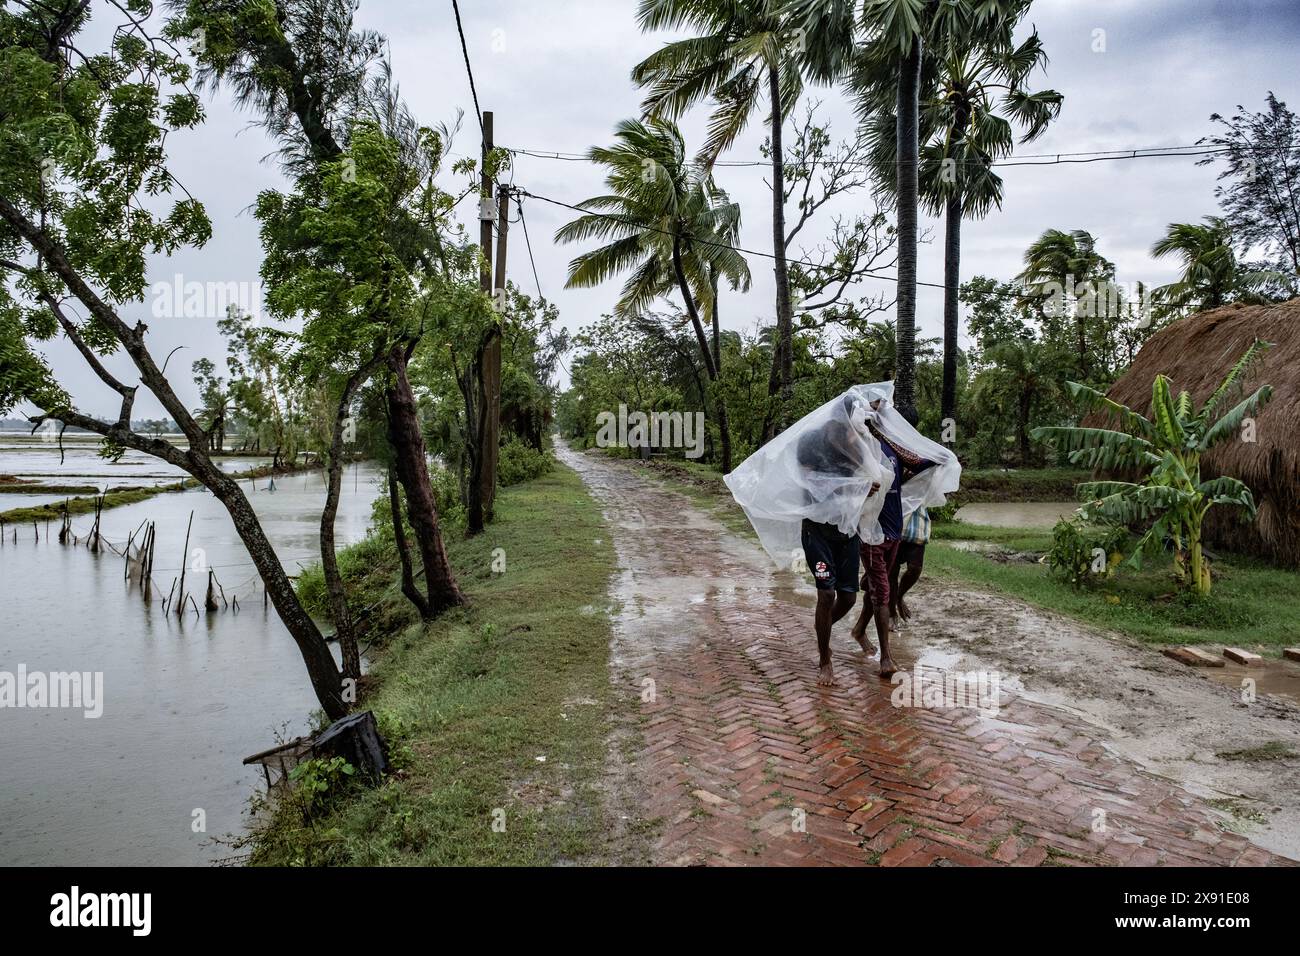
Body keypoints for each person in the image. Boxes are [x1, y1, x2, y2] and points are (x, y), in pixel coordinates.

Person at [795, 396, 881, 687]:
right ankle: (824, 659)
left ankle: (823, 630)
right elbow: (810, 484)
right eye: (847, 429)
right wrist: (854, 487)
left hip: (847, 532)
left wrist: (868, 488)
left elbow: (867, 480)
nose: (850, 435)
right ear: (835, 422)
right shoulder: (809, 441)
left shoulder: (856, 447)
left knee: (849, 597)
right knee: (826, 594)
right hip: (817, 531)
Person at [851, 400, 935, 678]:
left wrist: (890, 438)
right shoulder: (863, 450)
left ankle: (860, 630)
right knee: (882, 592)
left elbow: (926, 463)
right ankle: (886, 658)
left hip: (893, 530)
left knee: (880, 588)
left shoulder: (894, 450)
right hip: (872, 532)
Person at [893, 504, 929, 624]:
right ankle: (891, 611)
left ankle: (898, 596)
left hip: (917, 524)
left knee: (915, 568)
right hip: (894, 519)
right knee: (892, 570)